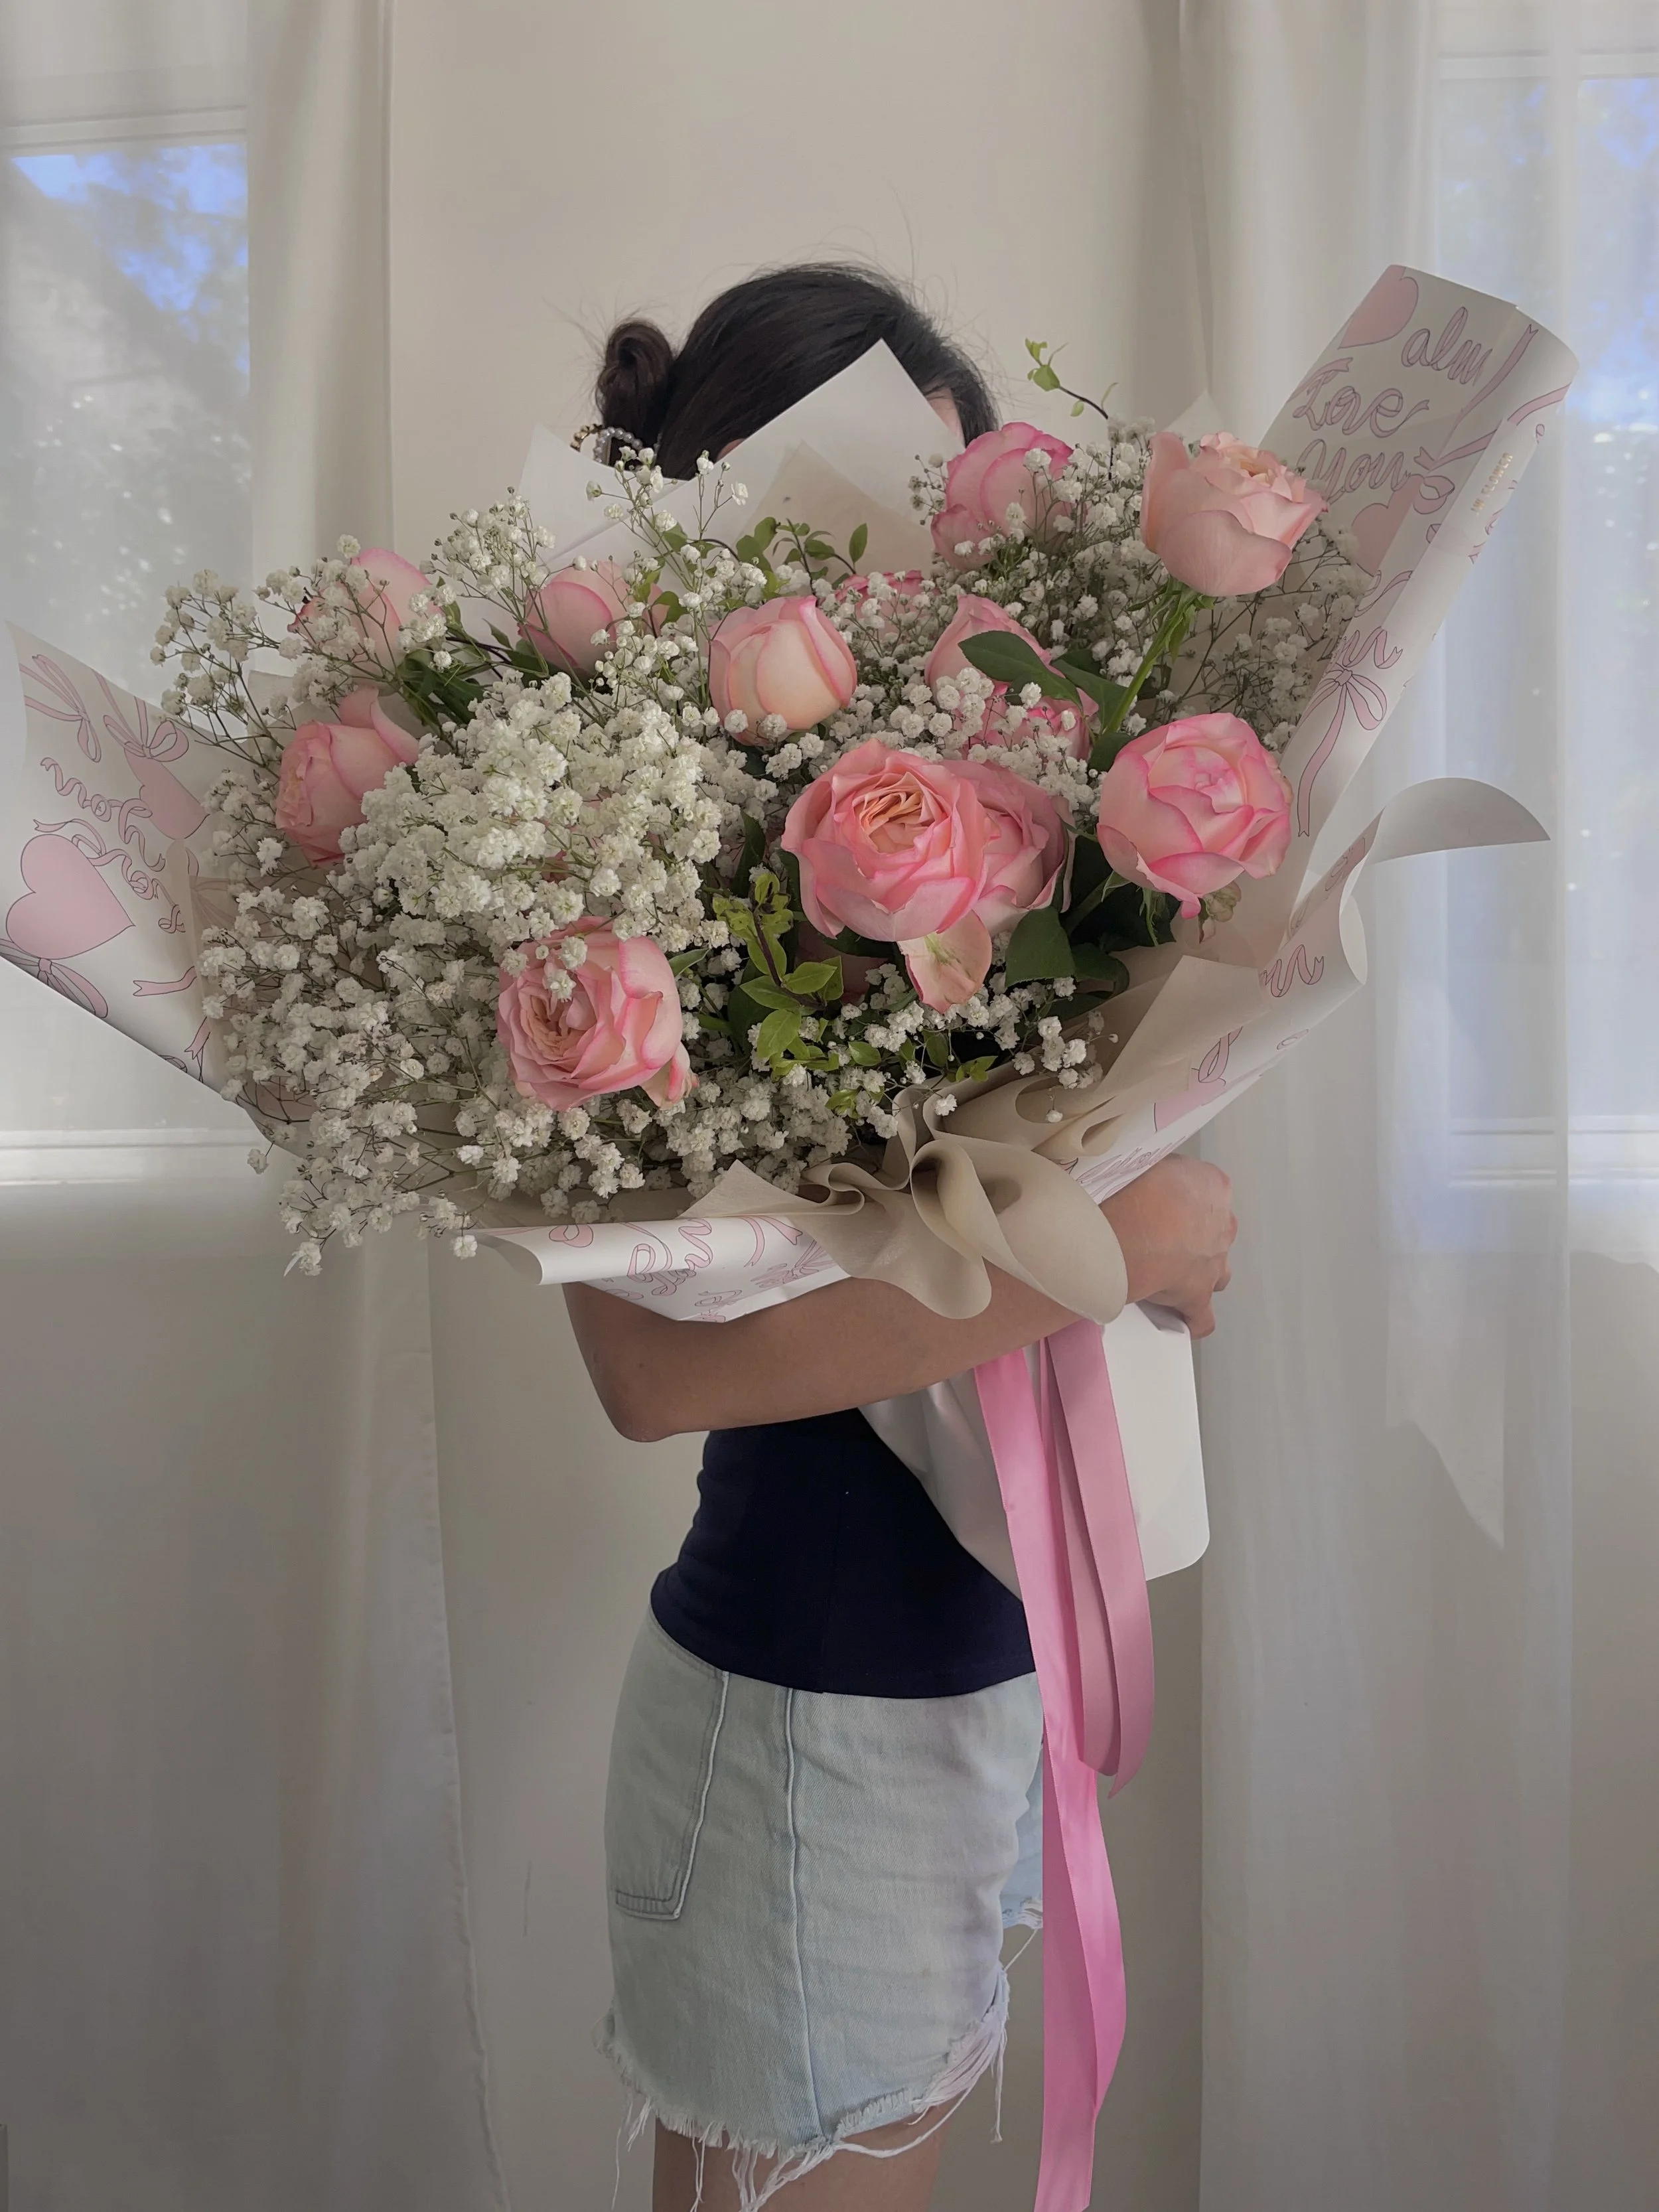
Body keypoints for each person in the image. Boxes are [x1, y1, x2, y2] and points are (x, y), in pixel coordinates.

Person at [564, 265, 1237, 2212]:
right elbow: (649, 1369)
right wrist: (1101, 1250)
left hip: (938, 1706)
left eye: (943, 510)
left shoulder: (955, 865)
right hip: (811, 1740)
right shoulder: (630, 908)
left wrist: (1138, 1233)